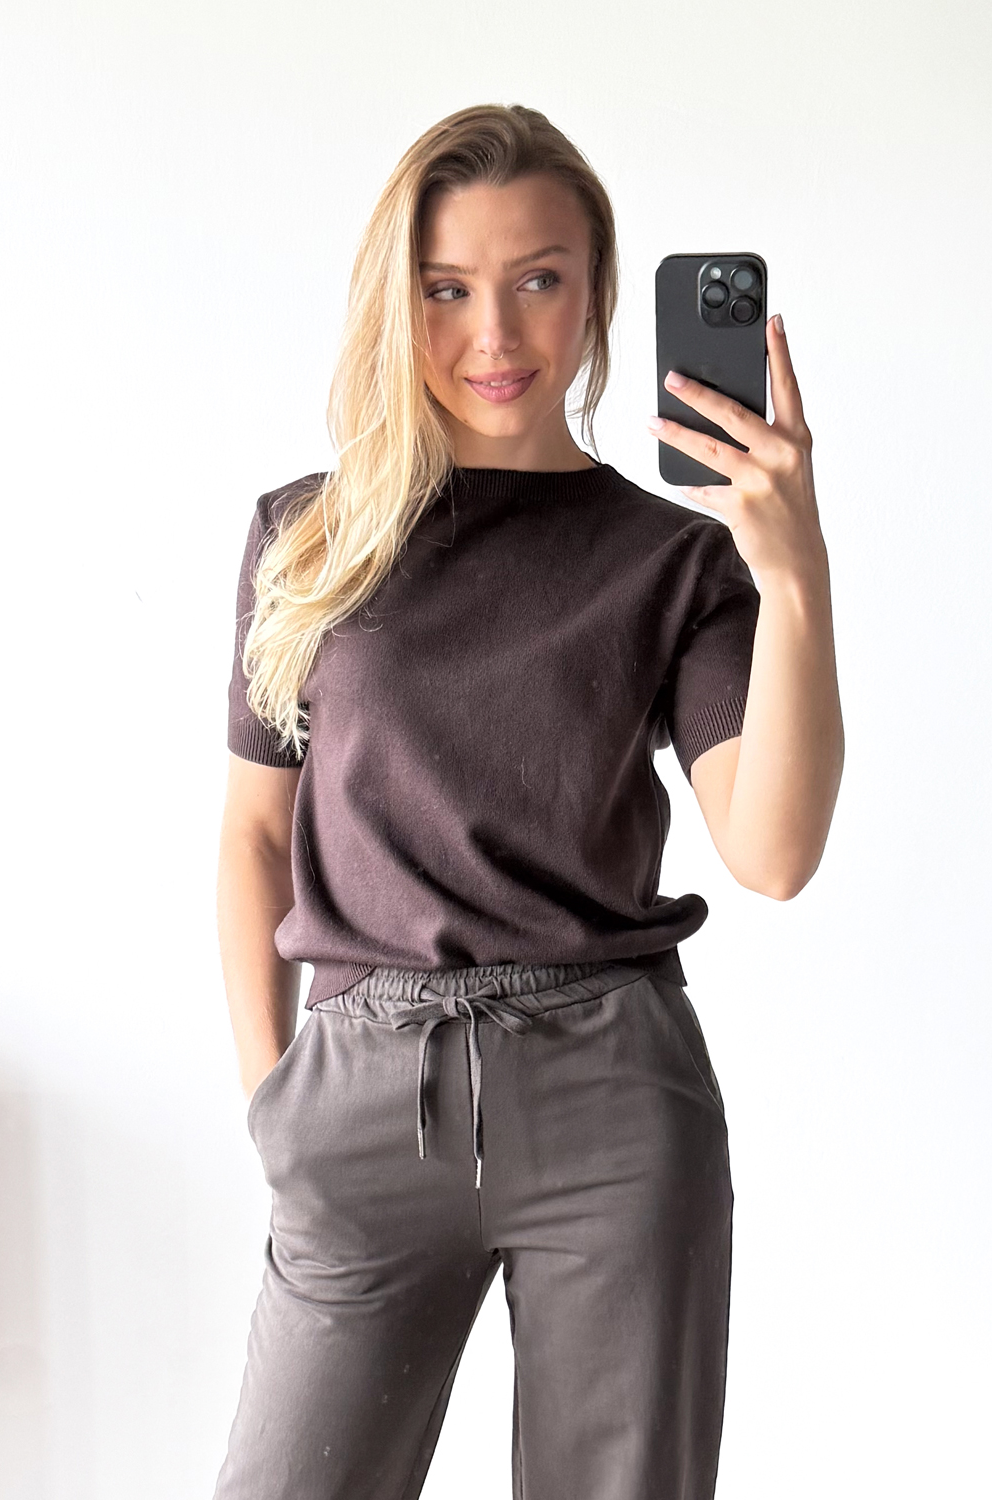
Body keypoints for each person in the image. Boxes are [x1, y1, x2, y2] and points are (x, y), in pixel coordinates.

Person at [211, 103, 843, 1500]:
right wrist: (275, 1101)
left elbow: (775, 850)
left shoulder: (673, 561)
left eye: (537, 279)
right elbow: (254, 835)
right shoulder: (306, 538)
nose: (493, 334)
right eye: (446, 289)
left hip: (613, 1098)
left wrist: (792, 575)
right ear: (397, 300)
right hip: (360, 1094)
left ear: (597, 291)